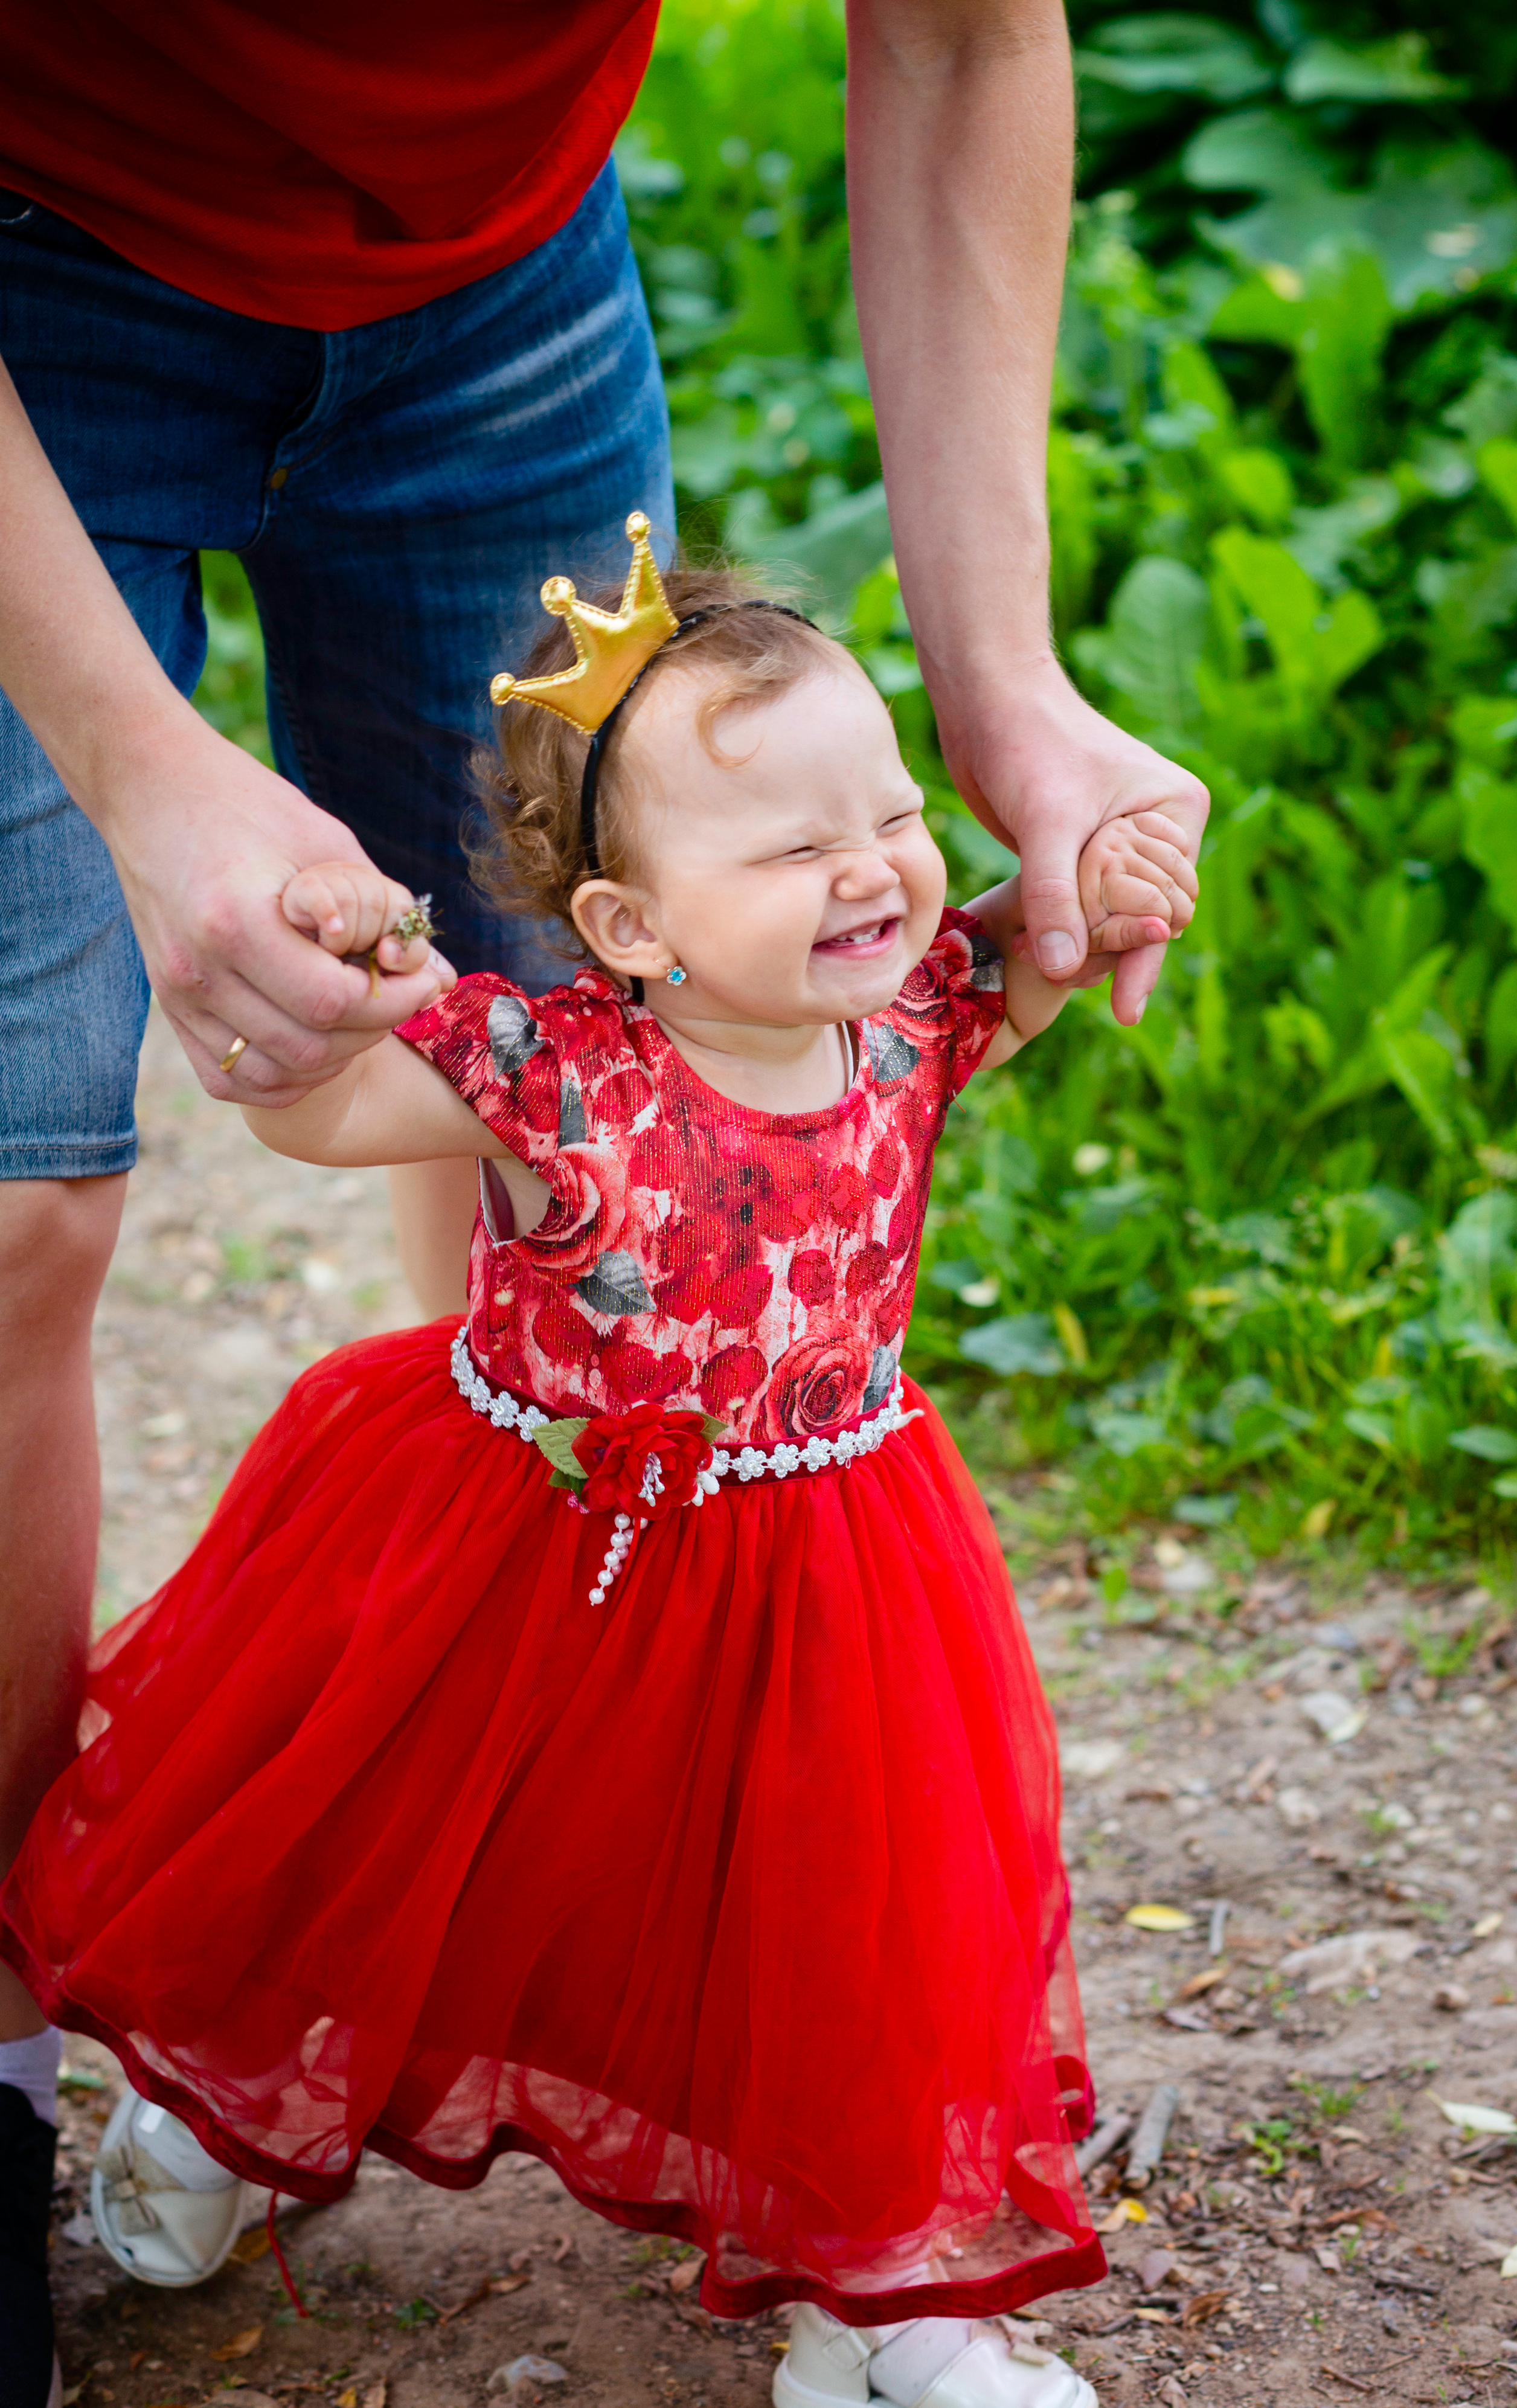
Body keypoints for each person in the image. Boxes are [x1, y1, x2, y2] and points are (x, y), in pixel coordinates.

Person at [0, 2, 1207, 2389]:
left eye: (879, 823)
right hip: (45, 248)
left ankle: (881, 2271)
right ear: (630, 934)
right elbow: (342, 1107)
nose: (878, 873)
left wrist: (1050, 760)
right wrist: (245, 888)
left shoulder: (907, 1012)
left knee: (866, 1907)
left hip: (830, 1556)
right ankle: (211, 2079)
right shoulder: (557, 1053)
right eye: (799, 844)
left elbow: (1024, 943)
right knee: (28, 1228)